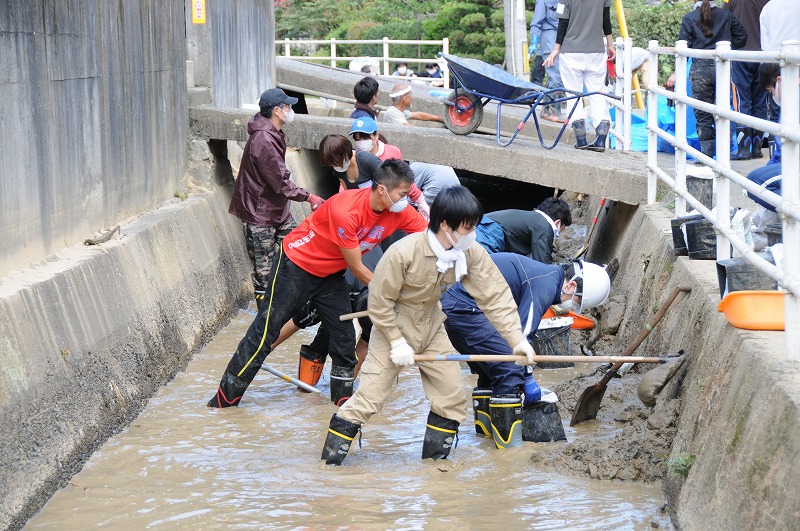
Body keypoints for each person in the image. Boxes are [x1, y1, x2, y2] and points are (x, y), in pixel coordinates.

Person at [320, 186, 536, 465]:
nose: (471, 234)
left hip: (433, 326)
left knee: (452, 397)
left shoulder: (468, 252)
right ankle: (328, 466)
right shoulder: (403, 253)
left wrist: (516, 340)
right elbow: (379, 301)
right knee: (368, 400)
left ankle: (435, 468)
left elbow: (494, 295)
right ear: (444, 224)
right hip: (393, 327)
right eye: (466, 228)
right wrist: (396, 341)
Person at [207, 159, 429, 408]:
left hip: (330, 275)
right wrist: (392, 292)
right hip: (297, 265)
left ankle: (342, 407)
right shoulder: (346, 211)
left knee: (344, 339)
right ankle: (224, 401)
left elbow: (428, 240)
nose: (405, 201)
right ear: (382, 189)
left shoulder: (400, 212)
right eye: (402, 194)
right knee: (265, 330)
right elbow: (356, 267)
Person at [441, 254, 610, 444]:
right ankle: (509, 454)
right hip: (464, 306)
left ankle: (486, 441)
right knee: (510, 368)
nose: (573, 306)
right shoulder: (545, 285)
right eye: (577, 302)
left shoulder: (545, 276)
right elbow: (522, 337)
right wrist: (527, 378)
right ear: (571, 286)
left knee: (491, 370)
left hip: (457, 303)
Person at [229, 88, 324, 309]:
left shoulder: (272, 132)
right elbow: (279, 182)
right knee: (264, 271)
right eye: (287, 107)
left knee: (298, 250)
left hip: (277, 210)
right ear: (277, 111)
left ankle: (289, 305)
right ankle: (265, 321)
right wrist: (309, 196)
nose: (290, 111)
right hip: (259, 214)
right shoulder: (263, 139)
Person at [668, 0, 747, 161]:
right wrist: (728, 48)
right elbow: (742, 37)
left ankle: (706, 156)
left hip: (700, 70)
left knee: (703, 114)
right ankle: (724, 152)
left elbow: (683, 49)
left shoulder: (689, 17)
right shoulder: (726, 15)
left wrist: (675, 74)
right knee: (724, 110)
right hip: (723, 67)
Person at [543, 0, 615, 151]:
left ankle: (581, 140)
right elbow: (606, 18)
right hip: (596, 51)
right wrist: (610, 45)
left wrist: (556, 48)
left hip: (571, 52)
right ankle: (601, 139)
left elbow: (563, 23)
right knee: (598, 93)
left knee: (573, 94)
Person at [318, 134, 431, 220]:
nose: (335, 166)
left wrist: (419, 199)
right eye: (332, 164)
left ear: (346, 153)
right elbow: (348, 195)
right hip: (368, 215)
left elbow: (396, 179)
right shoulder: (338, 171)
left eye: (337, 162)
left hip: (389, 209)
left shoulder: (367, 160)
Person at [745, 61, 798, 211]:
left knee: (754, 182)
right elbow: (780, 154)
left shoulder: (794, 101)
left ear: (779, 81)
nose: (773, 95)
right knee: (757, 178)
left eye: (771, 91)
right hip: (789, 162)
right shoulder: (791, 100)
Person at [725, 0, 771, 161]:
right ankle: (757, 148)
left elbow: (725, 20)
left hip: (740, 54)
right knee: (760, 101)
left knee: (742, 101)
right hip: (762, 54)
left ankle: (743, 149)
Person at [480, 197, 573, 263]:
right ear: (557, 223)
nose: (558, 235)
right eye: (562, 229)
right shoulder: (544, 225)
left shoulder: (532, 220)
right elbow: (543, 265)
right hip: (488, 236)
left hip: (478, 228)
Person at [529, 0, 563, 121]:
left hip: (563, 38)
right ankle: (553, 111)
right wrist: (534, 41)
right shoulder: (544, 1)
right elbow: (536, 22)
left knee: (560, 75)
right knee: (556, 74)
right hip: (549, 37)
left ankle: (546, 110)